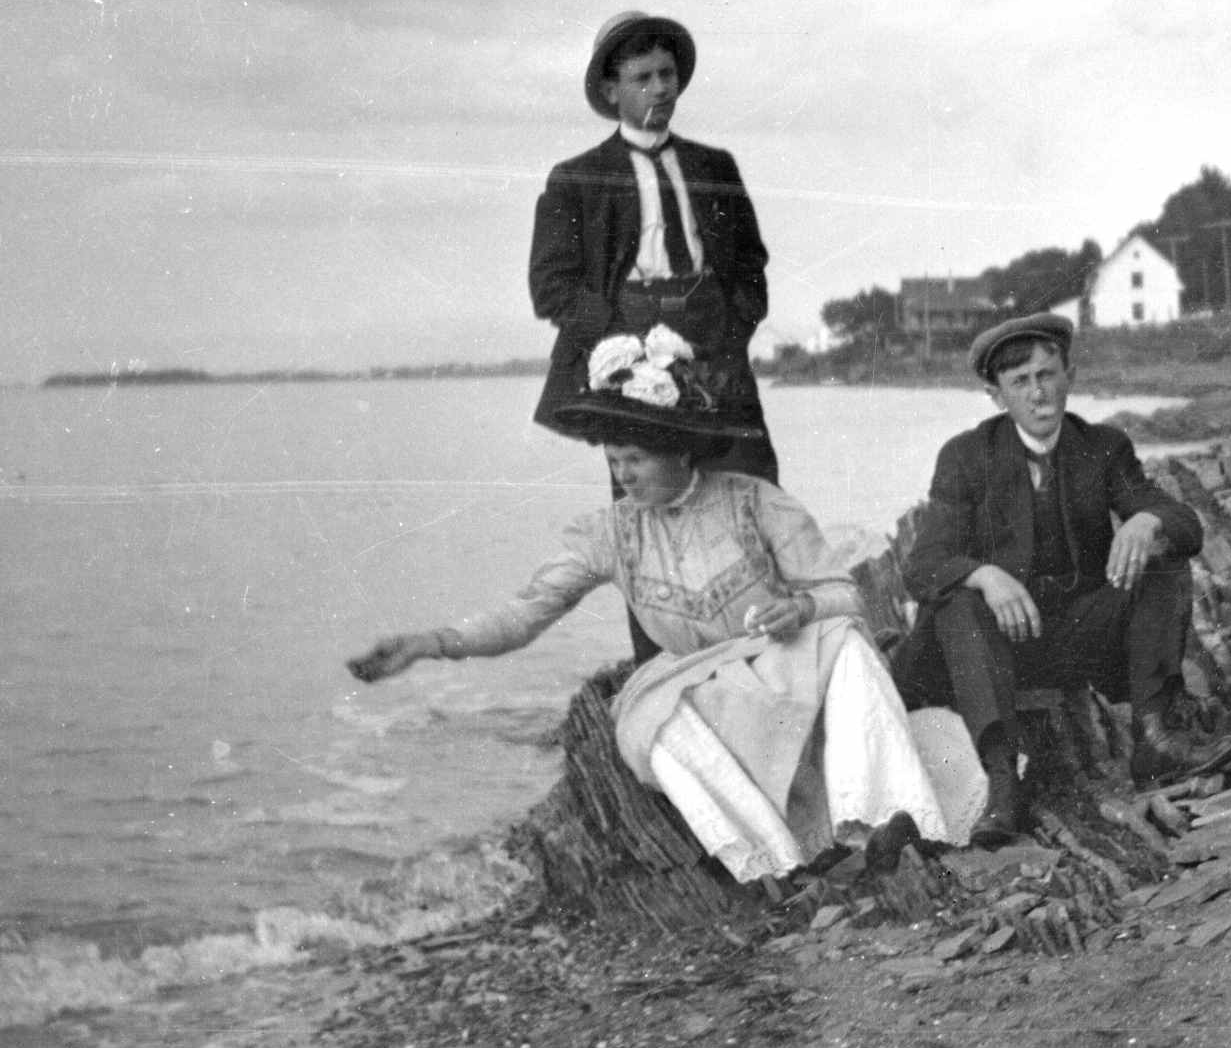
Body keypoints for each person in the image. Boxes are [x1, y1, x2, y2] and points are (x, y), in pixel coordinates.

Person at [348, 336, 975, 881]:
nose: (622, 475)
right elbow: (526, 614)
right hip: (706, 693)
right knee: (648, 718)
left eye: (636, 459)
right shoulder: (611, 533)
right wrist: (430, 643)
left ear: (679, 449)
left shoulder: (758, 503)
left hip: (789, 670)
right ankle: (774, 863)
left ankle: (879, 825)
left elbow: (846, 594)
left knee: (847, 641)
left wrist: (800, 608)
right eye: (614, 461)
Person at [899, 313, 1218, 841]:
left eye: (1047, 375)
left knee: (1164, 561)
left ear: (1069, 374)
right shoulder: (966, 456)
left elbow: (1187, 526)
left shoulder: (1103, 447)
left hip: (1076, 636)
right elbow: (922, 565)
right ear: (996, 395)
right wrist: (984, 576)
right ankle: (1002, 782)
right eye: (1020, 382)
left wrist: (1146, 518)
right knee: (958, 599)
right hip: (992, 649)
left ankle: (1154, 736)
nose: (1038, 394)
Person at [530, 12, 779, 662]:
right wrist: (626, 351)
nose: (660, 88)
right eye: (642, 77)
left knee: (752, 499)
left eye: (667, 74)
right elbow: (550, 287)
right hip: (632, 368)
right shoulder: (576, 179)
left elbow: (751, 265)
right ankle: (661, 674)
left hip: (715, 356)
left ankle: (769, 665)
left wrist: (730, 330)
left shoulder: (713, 166)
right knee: (649, 525)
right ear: (613, 90)